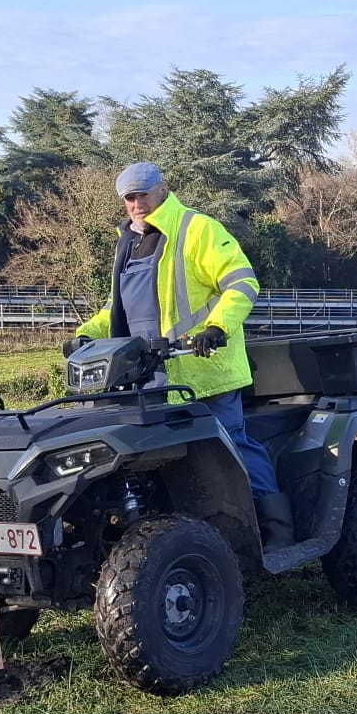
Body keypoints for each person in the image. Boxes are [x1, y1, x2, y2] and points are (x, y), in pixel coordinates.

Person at [72, 162, 290, 547]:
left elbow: (242, 281)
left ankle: (274, 529)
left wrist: (217, 328)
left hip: (205, 372)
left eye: (142, 194)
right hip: (146, 382)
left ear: (163, 189)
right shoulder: (127, 242)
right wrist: (85, 335)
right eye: (128, 197)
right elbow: (115, 309)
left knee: (232, 447)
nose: (136, 203)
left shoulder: (197, 229)